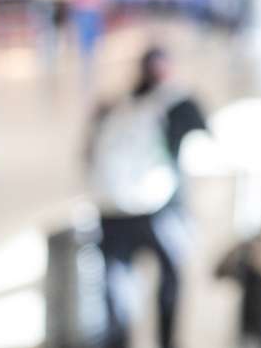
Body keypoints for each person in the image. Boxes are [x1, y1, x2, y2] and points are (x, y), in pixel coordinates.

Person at [85, 46, 209, 348]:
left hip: (110, 209)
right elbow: (208, 143)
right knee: (170, 279)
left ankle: (118, 341)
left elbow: (87, 156)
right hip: (159, 210)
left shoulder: (112, 107)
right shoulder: (179, 103)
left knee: (117, 284)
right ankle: (166, 341)